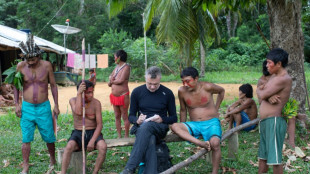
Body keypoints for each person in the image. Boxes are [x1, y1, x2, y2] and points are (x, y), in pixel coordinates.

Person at [13, 34, 59, 174]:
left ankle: (52, 159)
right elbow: (16, 86)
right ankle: (25, 165)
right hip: (27, 107)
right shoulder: (20, 66)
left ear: (39, 56)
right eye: (28, 60)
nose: (30, 62)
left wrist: (56, 105)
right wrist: (16, 104)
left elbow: (53, 85)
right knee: (26, 137)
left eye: (33, 59)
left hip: (43, 106)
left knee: (49, 136)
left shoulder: (47, 66)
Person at [120, 66, 177, 174]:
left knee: (147, 126)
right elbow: (131, 116)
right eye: (149, 83)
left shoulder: (167, 93)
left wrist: (162, 119)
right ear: (145, 79)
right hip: (142, 127)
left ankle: (130, 168)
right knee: (150, 138)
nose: (152, 87)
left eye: (155, 84)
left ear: (160, 79)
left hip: (160, 127)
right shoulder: (137, 92)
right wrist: (137, 120)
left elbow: (174, 117)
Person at [171, 67, 225, 174]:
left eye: (187, 81)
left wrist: (216, 108)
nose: (185, 84)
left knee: (215, 143)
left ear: (196, 78)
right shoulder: (182, 91)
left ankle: (214, 172)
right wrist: (183, 125)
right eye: (183, 81)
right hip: (194, 124)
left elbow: (221, 91)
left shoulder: (207, 87)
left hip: (211, 123)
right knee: (174, 126)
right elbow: (183, 110)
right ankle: (201, 143)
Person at [256, 48, 292, 174]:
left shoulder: (283, 78)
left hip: (275, 121)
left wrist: (263, 93)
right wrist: (266, 95)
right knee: (263, 157)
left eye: (269, 62)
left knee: (275, 160)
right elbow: (262, 91)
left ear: (279, 64)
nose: (267, 65)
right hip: (266, 121)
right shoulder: (274, 76)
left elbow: (261, 93)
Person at [61, 80, 107, 174]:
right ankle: (63, 172)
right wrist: (79, 95)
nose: (91, 95)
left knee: (103, 147)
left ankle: (95, 172)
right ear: (81, 92)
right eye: (88, 93)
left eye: (92, 92)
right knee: (69, 147)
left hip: (93, 132)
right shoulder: (73, 101)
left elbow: (99, 125)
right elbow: (78, 112)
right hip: (78, 132)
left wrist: (92, 140)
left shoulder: (96, 103)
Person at [108, 50, 130, 138]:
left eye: (115, 57)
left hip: (123, 95)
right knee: (117, 115)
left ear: (119, 57)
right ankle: (119, 135)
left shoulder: (126, 67)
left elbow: (121, 80)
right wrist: (111, 81)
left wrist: (112, 80)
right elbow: (110, 79)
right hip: (114, 96)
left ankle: (126, 135)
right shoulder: (116, 67)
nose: (114, 58)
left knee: (124, 115)